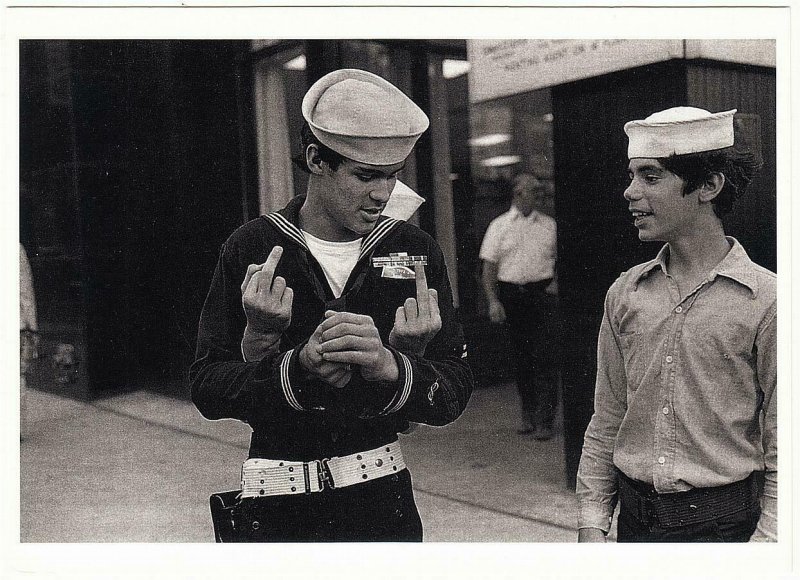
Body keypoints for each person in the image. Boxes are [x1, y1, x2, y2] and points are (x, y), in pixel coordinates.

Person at [190, 68, 473, 542]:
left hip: (385, 506)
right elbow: (206, 386)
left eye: (392, 176)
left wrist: (395, 365)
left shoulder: (414, 247)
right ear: (317, 159)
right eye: (366, 176)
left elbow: (455, 390)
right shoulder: (251, 246)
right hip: (278, 510)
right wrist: (290, 363)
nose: (383, 195)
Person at [576, 107, 775, 542]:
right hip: (635, 525)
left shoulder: (769, 301)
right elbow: (608, 417)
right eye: (631, 176)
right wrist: (591, 521)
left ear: (708, 185)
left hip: (725, 530)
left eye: (650, 177)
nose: (629, 192)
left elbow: (786, 440)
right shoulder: (625, 293)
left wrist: (769, 544)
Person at [479, 173, 559, 440]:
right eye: (532, 191)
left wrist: (555, 283)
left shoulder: (549, 225)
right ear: (517, 193)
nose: (537, 195)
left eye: (538, 191)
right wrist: (493, 301)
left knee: (546, 357)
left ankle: (545, 421)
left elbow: (561, 259)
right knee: (522, 359)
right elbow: (489, 268)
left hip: (542, 294)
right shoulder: (498, 226)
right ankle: (529, 414)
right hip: (513, 297)